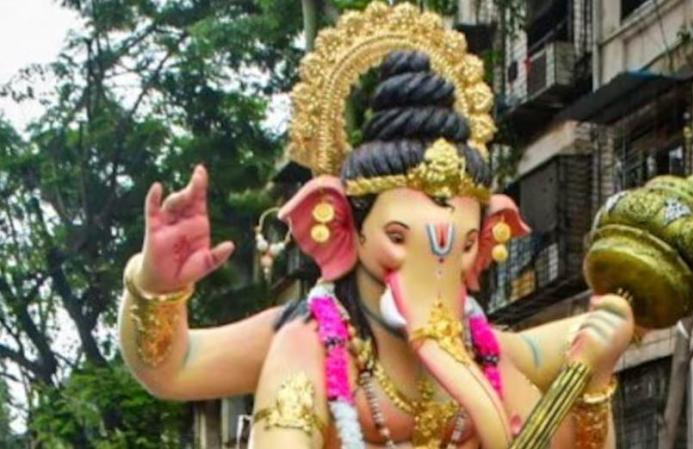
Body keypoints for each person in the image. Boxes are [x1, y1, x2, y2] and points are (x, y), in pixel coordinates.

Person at [118, 4, 634, 448]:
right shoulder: (306, 342)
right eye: (397, 239)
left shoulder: (479, 352)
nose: (432, 270)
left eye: (462, 246)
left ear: (484, 243)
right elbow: (173, 366)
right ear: (341, 223)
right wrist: (156, 287)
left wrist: (594, 376)